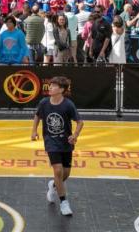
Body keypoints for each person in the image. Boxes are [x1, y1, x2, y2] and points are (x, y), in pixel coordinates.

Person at [31, 76, 83, 217]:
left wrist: (75, 135)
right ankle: (64, 202)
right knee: (58, 170)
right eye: (50, 85)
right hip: (51, 142)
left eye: (53, 86)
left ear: (61, 90)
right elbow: (37, 116)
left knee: (65, 174)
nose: (50, 88)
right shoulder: (44, 103)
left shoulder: (68, 105)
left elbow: (80, 122)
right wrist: (34, 131)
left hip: (66, 143)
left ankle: (53, 185)